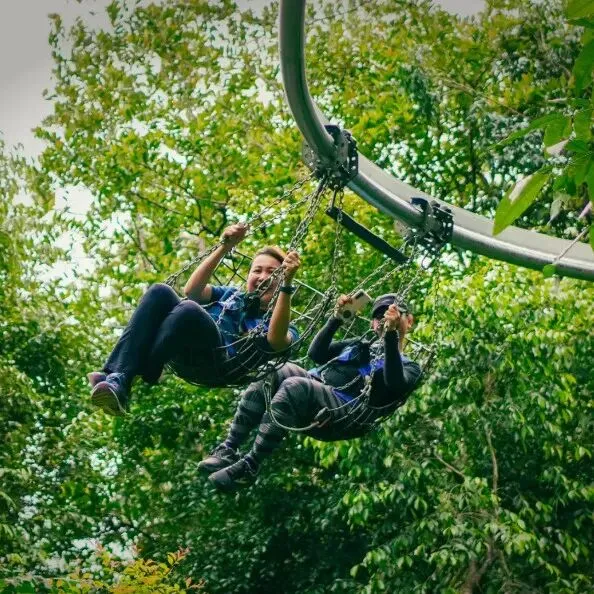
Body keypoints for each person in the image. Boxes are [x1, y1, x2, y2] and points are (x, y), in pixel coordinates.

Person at [200, 292, 422, 491]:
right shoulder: (359, 345)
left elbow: (395, 383)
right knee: (274, 370)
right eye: (378, 316)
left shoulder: (411, 367)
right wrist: (336, 319)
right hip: (317, 388)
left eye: (393, 315)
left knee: (295, 386)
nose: (384, 320)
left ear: (409, 321)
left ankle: (250, 465)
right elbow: (316, 354)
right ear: (372, 323)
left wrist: (391, 336)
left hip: (346, 413)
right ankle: (228, 448)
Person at [88, 223, 301, 416]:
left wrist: (287, 284)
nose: (263, 277)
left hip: (218, 361)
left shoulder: (286, 326)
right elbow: (193, 291)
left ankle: (133, 372)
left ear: (282, 280)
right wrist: (225, 247)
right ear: (248, 276)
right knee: (160, 291)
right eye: (257, 270)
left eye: (272, 272)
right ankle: (116, 378)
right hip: (181, 342)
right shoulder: (232, 295)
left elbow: (276, 340)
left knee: (188, 309)